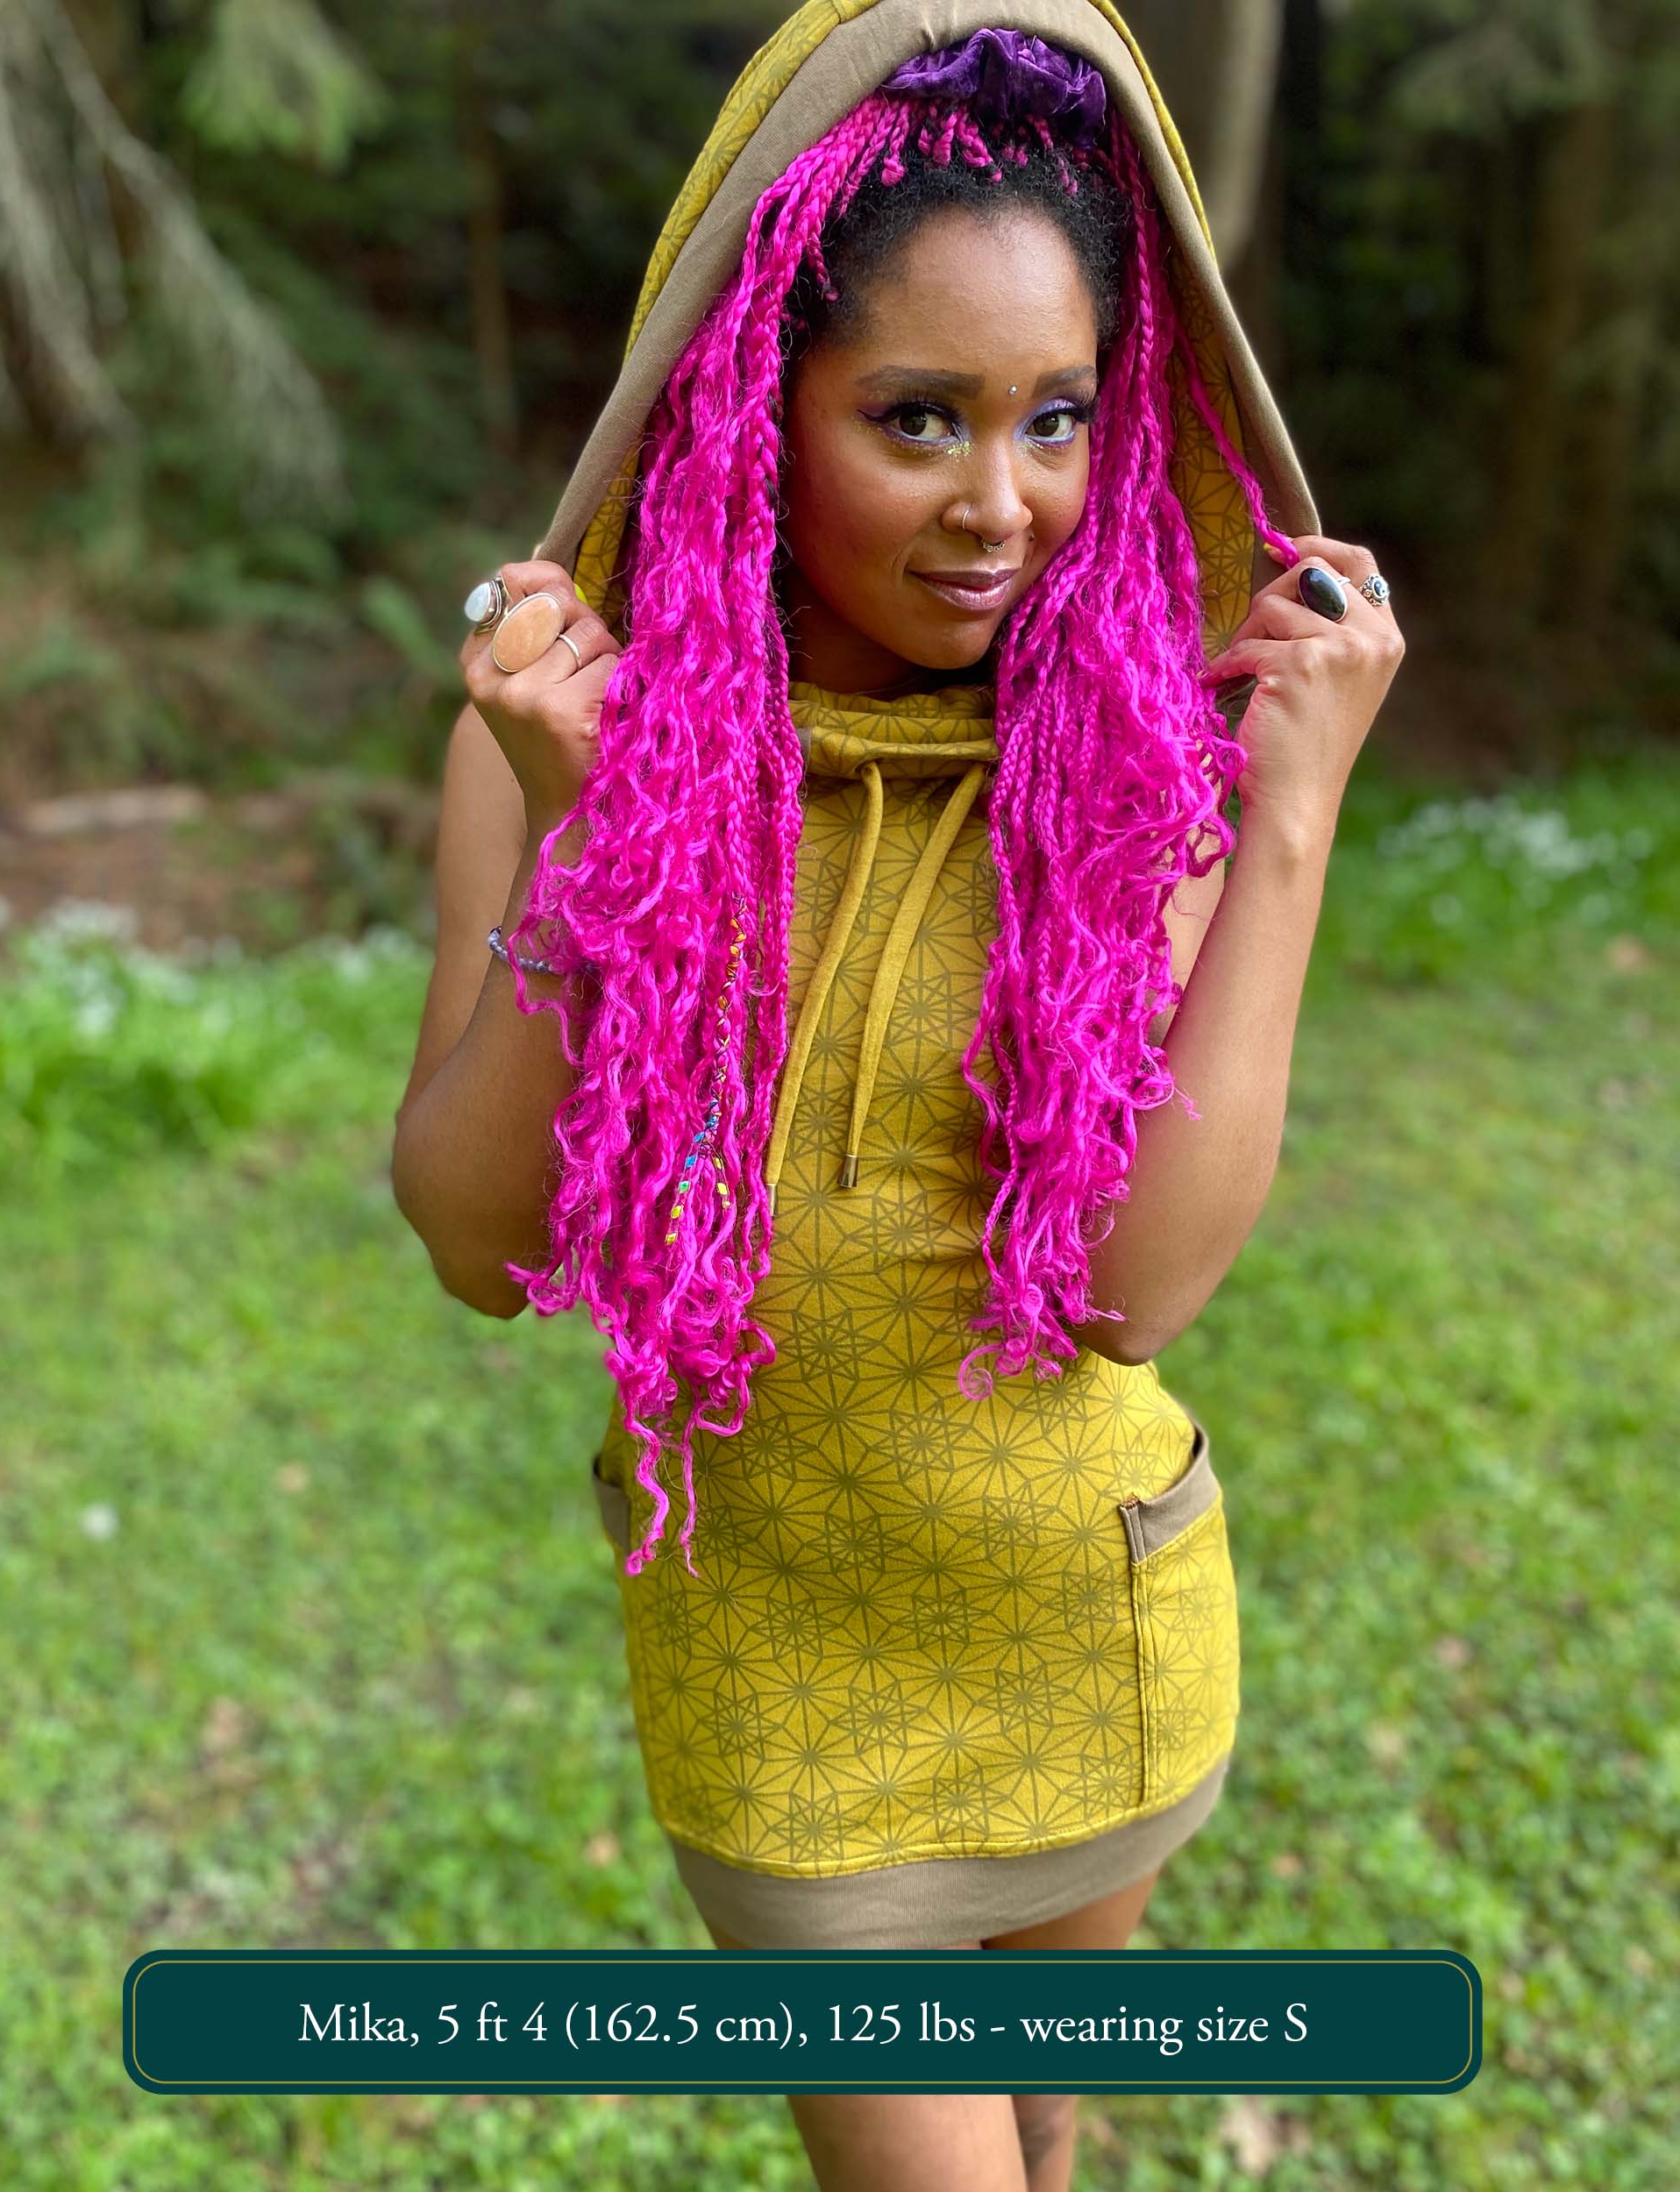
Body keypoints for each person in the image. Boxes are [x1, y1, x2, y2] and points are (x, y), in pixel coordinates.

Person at [392, 6, 1404, 2188]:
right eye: (916, 417)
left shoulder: (1149, 767)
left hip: (1099, 1625)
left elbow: (1133, 1293)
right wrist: (587, 849)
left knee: (1042, 2136)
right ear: (761, 406)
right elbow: (479, 1246)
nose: (999, 502)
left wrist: (1293, 820)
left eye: (1055, 418)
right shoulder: (559, 737)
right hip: (781, 1697)